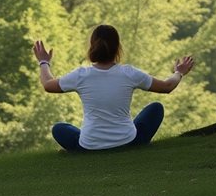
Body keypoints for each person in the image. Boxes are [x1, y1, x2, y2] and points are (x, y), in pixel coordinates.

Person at [32, 24, 195, 151]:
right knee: (156, 109)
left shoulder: (81, 75)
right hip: (129, 141)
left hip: (89, 145)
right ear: (118, 48)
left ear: (92, 46)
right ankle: (134, 145)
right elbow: (167, 86)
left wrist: (44, 62)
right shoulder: (129, 73)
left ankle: (84, 149)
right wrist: (179, 72)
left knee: (59, 129)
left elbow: (48, 84)